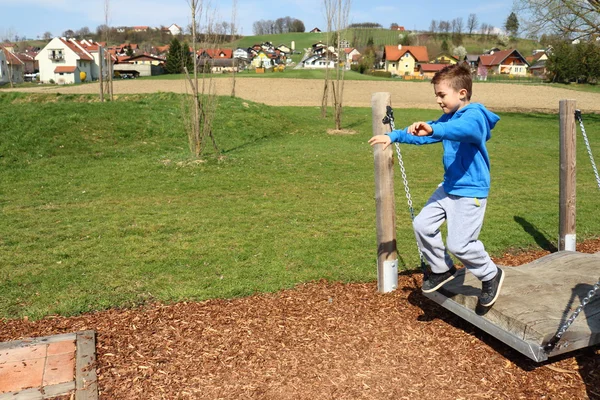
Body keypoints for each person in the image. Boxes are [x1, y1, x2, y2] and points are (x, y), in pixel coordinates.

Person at [368, 64, 504, 307]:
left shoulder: (475, 116)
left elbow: (461, 129)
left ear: (461, 93)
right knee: (422, 224)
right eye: (436, 96)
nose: (438, 100)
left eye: (442, 95)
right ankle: (442, 269)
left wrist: (436, 128)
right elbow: (429, 133)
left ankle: (490, 274)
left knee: (459, 244)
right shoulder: (448, 119)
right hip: (449, 186)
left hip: (469, 192)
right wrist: (395, 136)